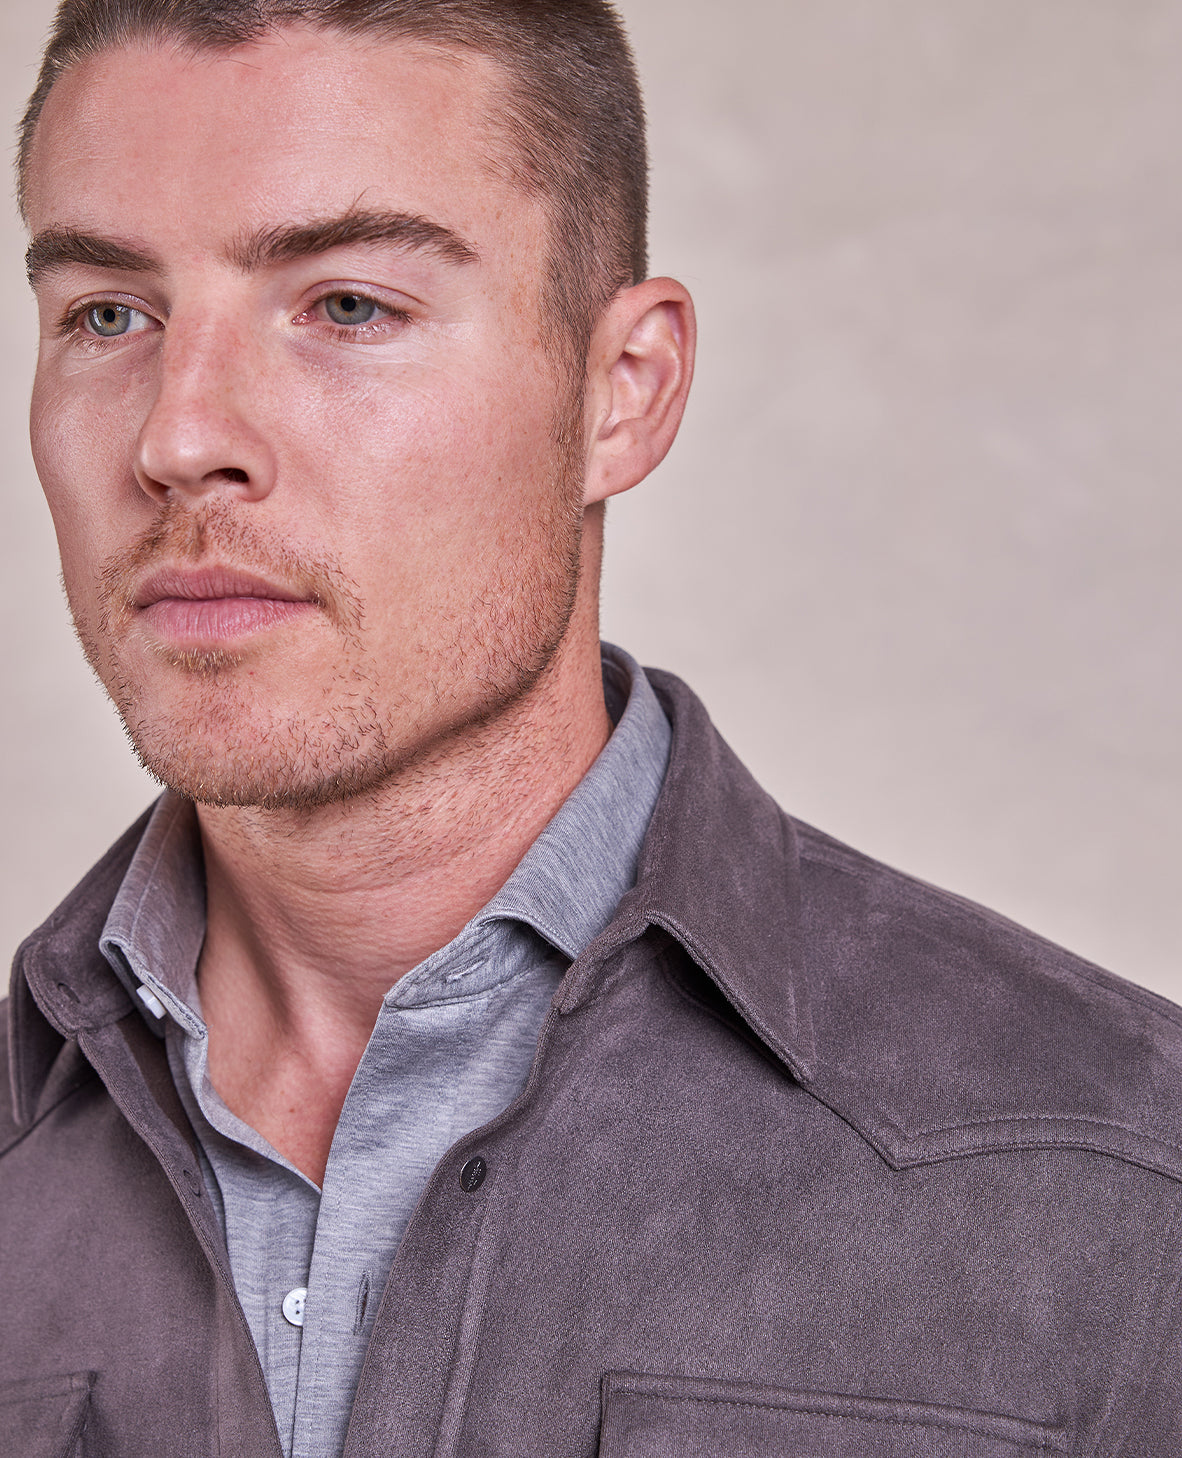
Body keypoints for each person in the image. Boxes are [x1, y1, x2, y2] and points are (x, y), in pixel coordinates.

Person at [2, 1, 1180, 1455]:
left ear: (622, 393)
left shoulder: (1122, 1182)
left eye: (348, 307)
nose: (180, 439)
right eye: (107, 316)